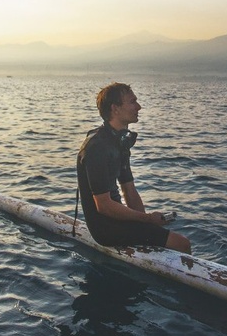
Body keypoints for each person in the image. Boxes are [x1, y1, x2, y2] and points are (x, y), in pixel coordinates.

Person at [76, 83, 192, 254]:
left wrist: (146, 224)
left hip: (118, 219)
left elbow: (129, 189)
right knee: (182, 244)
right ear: (115, 109)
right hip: (105, 229)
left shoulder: (119, 141)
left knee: (166, 238)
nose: (139, 107)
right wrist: (146, 219)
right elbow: (104, 206)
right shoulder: (97, 147)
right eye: (132, 102)